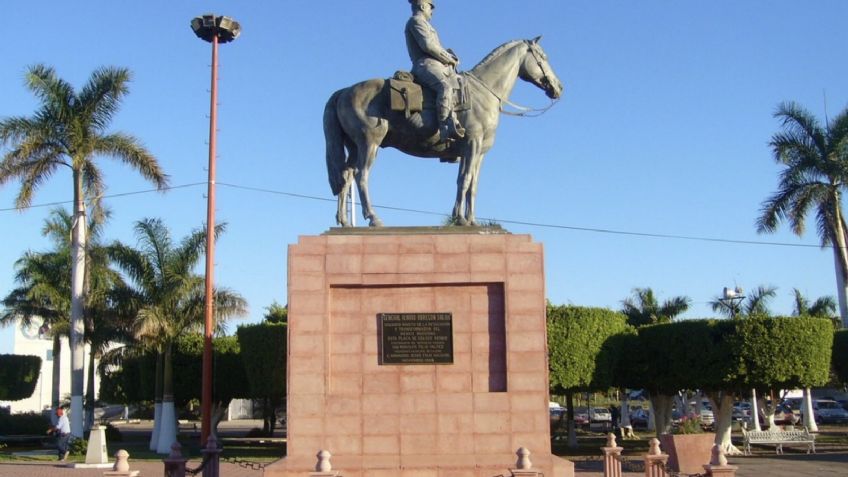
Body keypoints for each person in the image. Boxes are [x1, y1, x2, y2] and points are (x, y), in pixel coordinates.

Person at [405, 0, 465, 144]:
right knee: (445, 87)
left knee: (461, 87)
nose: (432, 11)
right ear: (422, 6)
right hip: (425, 65)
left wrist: (449, 57)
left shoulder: (426, 24)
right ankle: (445, 128)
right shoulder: (416, 21)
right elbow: (428, 46)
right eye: (431, 8)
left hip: (438, 66)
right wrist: (448, 57)